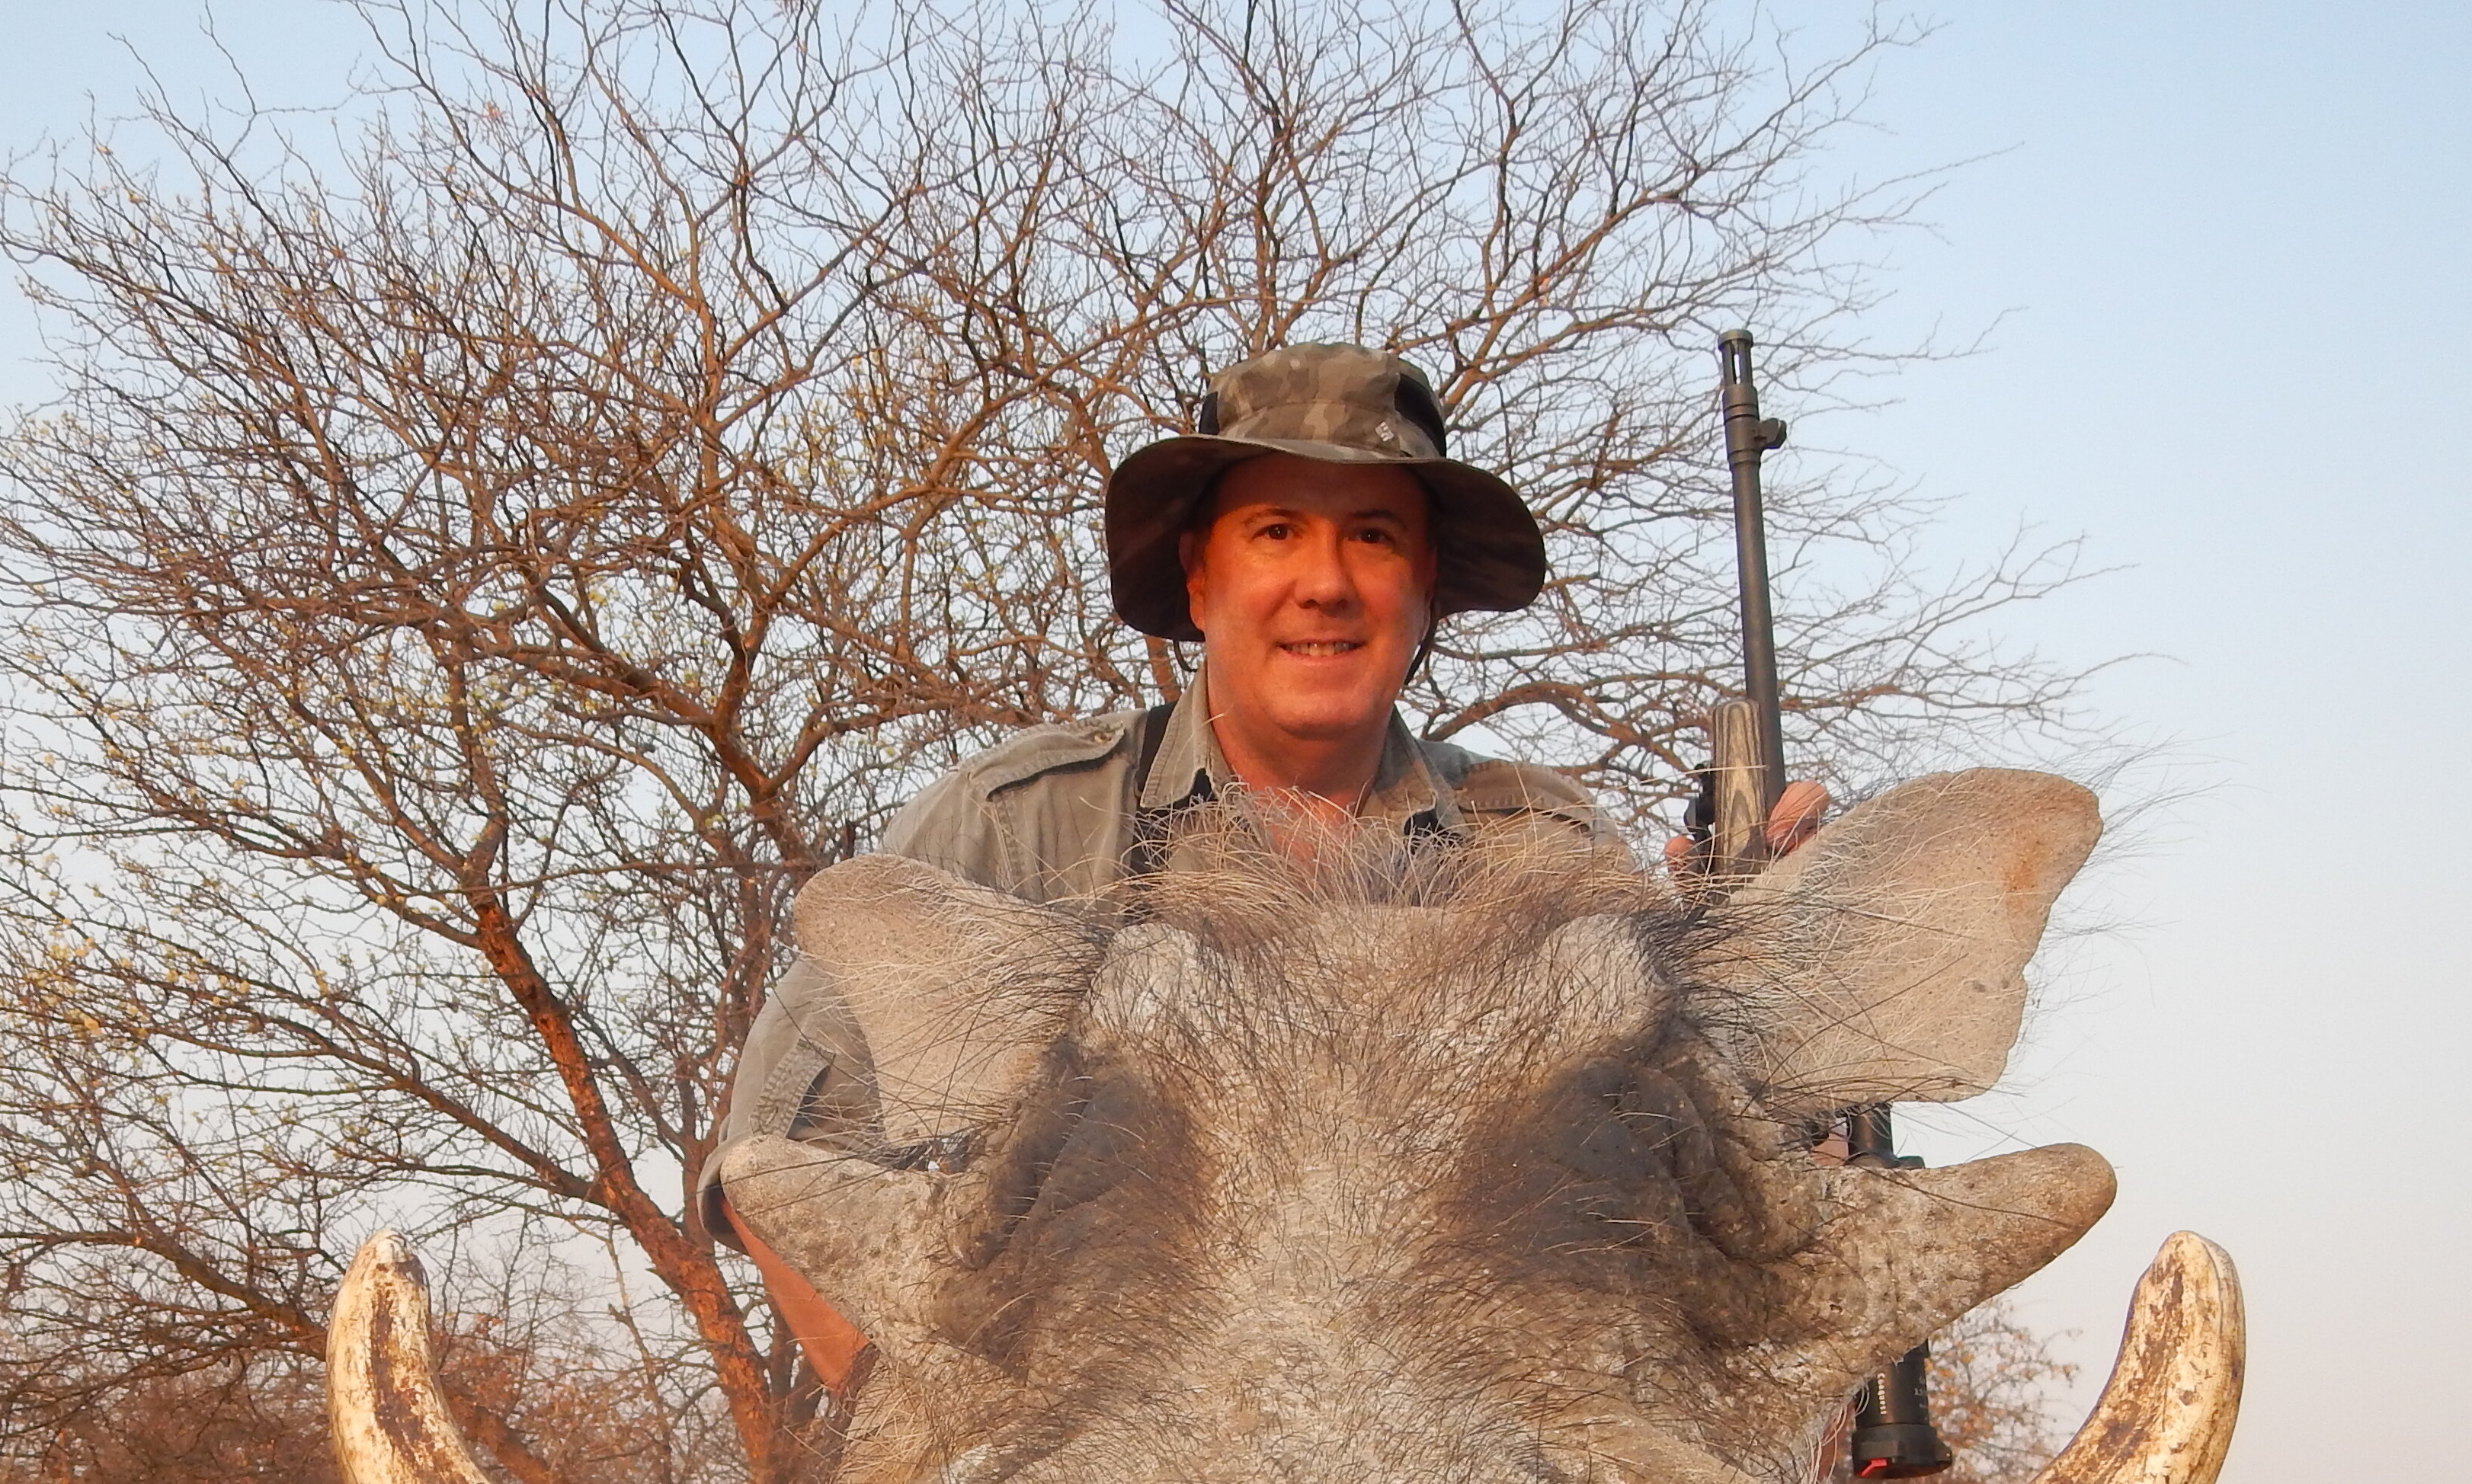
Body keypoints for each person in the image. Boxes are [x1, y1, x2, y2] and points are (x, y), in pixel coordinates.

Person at [712, 342, 1825, 1386]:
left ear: (1424, 584)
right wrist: (946, 1468)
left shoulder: (1544, 845)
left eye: (1375, 537)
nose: (1327, 583)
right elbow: (780, 1165)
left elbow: (1698, 1223)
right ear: (1200, 580)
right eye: (1278, 531)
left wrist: (1765, 989)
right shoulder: (1017, 825)